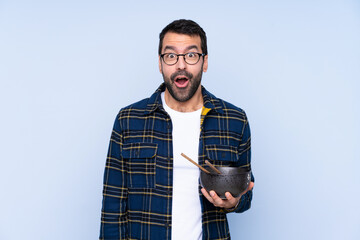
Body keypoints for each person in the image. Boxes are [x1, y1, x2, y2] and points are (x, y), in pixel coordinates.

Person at [100, 19, 254, 240]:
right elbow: (112, 207)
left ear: (205, 62)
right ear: (160, 64)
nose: (181, 65)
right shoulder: (129, 120)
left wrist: (234, 202)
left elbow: (245, 190)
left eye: (191, 55)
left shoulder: (234, 119)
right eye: (171, 56)